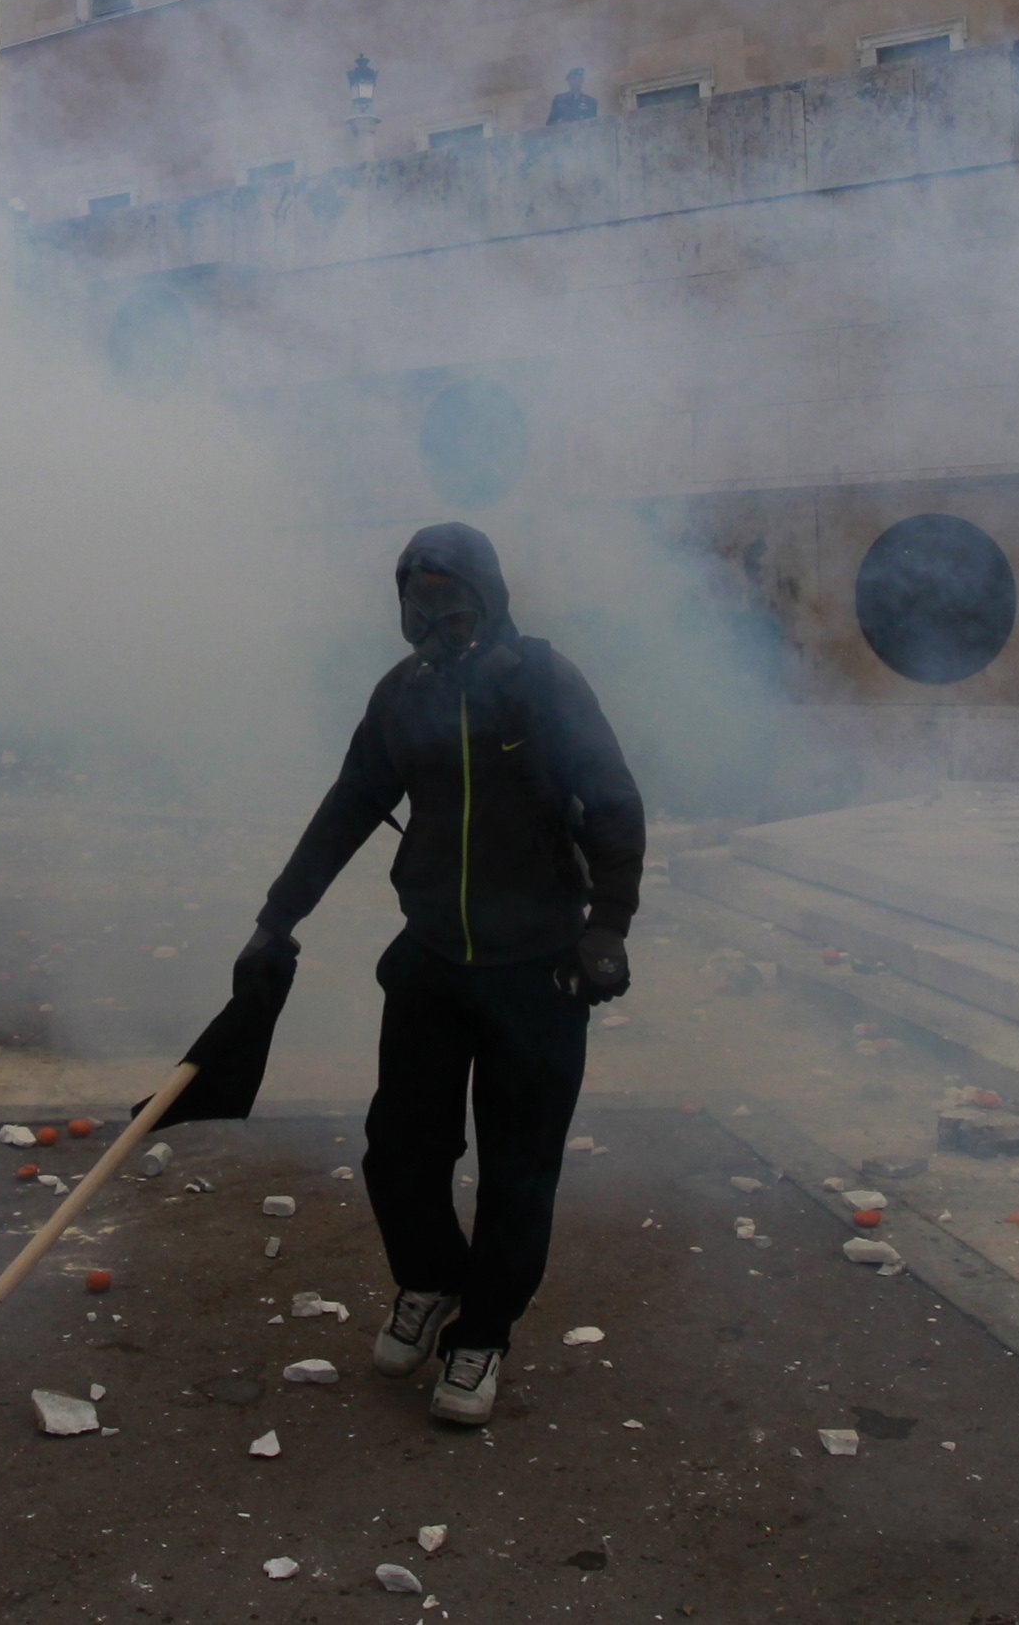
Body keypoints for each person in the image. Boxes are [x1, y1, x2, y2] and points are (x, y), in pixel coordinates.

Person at [234, 521, 645, 1427]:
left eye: (450, 593)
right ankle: (429, 1281)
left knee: (518, 1170)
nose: (436, 612)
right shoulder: (401, 697)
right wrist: (277, 916)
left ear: (490, 594)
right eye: (417, 596)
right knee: (401, 1151)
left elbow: (613, 803)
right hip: (430, 961)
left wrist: (607, 926)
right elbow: (348, 806)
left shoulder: (543, 682)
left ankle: (480, 1336)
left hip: (536, 971)